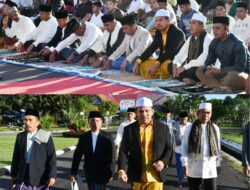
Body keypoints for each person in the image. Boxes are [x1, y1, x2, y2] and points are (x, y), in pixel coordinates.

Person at [118, 97, 172, 190]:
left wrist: (163, 162)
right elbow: (123, 150)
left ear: (152, 111)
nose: (144, 114)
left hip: (156, 176)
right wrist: (121, 170)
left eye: (147, 111)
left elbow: (169, 148)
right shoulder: (129, 129)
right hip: (137, 175)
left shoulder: (163, 128)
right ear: (137, 112)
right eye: (141, 111)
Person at [196, 16, 250, 92]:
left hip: (242, 75)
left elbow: (240, 67)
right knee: (200, 71)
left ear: (227, 29)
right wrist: (207, 69)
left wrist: (219, 71)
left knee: (231, 76)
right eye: (213, 28)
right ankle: (221, 87)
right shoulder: (214, 43)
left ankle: (218, 84)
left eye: (217, 28)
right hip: (224, 72)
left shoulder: (238, 44)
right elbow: (209, 61)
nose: (214, 31)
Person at [11, 109, 57, 190]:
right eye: (25, 120)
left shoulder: (45, 136)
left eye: (30, 120)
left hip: (41, 176)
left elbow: (52, 157)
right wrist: (14, 174)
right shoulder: (20, 137)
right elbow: (16, 156)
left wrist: (52, 175)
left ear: (37, 122)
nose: (27, 122)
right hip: (23, 174)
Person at [70, 111, 115, 190]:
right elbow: (77, 156)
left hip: (103, 172)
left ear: (101, 122)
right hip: (89, 173)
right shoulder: (84, 137)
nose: (95, 123)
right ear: (89, 122)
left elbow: (112, 157)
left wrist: (111, 172)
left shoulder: (108, 137)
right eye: (92, 120)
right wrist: (73, 172)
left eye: (97, 120)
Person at [181, 103, 221, 190]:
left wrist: (218, 163)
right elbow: (184, 147)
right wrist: (184, 164)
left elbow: (218, 148)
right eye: (203, 112)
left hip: (210, 166)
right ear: (198, 113)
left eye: (208, 112)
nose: (206, 115)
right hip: (194, 166)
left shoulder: (215, 128)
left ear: (211, 114)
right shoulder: (189, 128)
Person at [135, 9, 185, 79]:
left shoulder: (177, 33)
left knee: (167, 66)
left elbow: (170, 52)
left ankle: (167, 73)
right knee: (143, 63)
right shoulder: (159, 31)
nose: (158, 23)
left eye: (161, 20)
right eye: (156, 20)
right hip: (162, 60)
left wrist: (156, 64)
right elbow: (152, 48)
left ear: (168, 21)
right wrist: (138, 61)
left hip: (173, 62)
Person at [172, 13, 213, 85]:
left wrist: (185, 67)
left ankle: (191, 80)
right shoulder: (190, 38)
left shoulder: (208, 38)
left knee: (195, 70)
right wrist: (176, 64)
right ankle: (188, 79)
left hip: (202, 69)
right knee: (171, 66)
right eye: (190, 23)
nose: (190, 25)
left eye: (194, 23)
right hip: (190, 68)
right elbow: (181, 54)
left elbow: (203, 60)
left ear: (202, 26)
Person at [173, 111, 191, 187]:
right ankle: (180, 180)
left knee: (189, 165)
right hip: (178, 149)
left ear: (187, 118)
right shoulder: (174, 125)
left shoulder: (190, 125)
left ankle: (190, 179)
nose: (183, 121)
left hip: (188, 149)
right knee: (179, 166)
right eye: (181, 119)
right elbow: (171, 135)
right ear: (179, 119)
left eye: (185, 119)